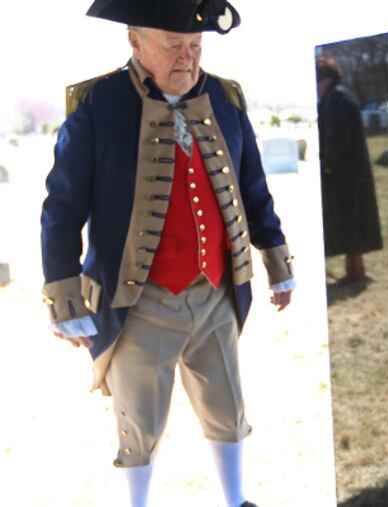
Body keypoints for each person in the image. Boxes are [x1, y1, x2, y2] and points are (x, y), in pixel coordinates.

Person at [40, 2, 294, 506]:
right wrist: (64, 297)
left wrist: (277, 262)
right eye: (173, 45)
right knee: (141, 419)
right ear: (135, 42)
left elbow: (253, 187)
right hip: (138, 299)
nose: (188, 58)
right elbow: (62, 207)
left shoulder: (224, 99)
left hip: (216, 291)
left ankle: (236, 498)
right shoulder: (99, 106)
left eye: (196, 47)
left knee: (227, 406)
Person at [316, 57, 383, 284]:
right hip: (346, 171)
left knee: (350, 220)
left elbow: (338, 137)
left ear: (324, 79)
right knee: (349, 220)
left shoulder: (338, 99)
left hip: (346, 173)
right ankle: (355, 269)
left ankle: (355, 271)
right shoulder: (336, 97)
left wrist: (326, 163)